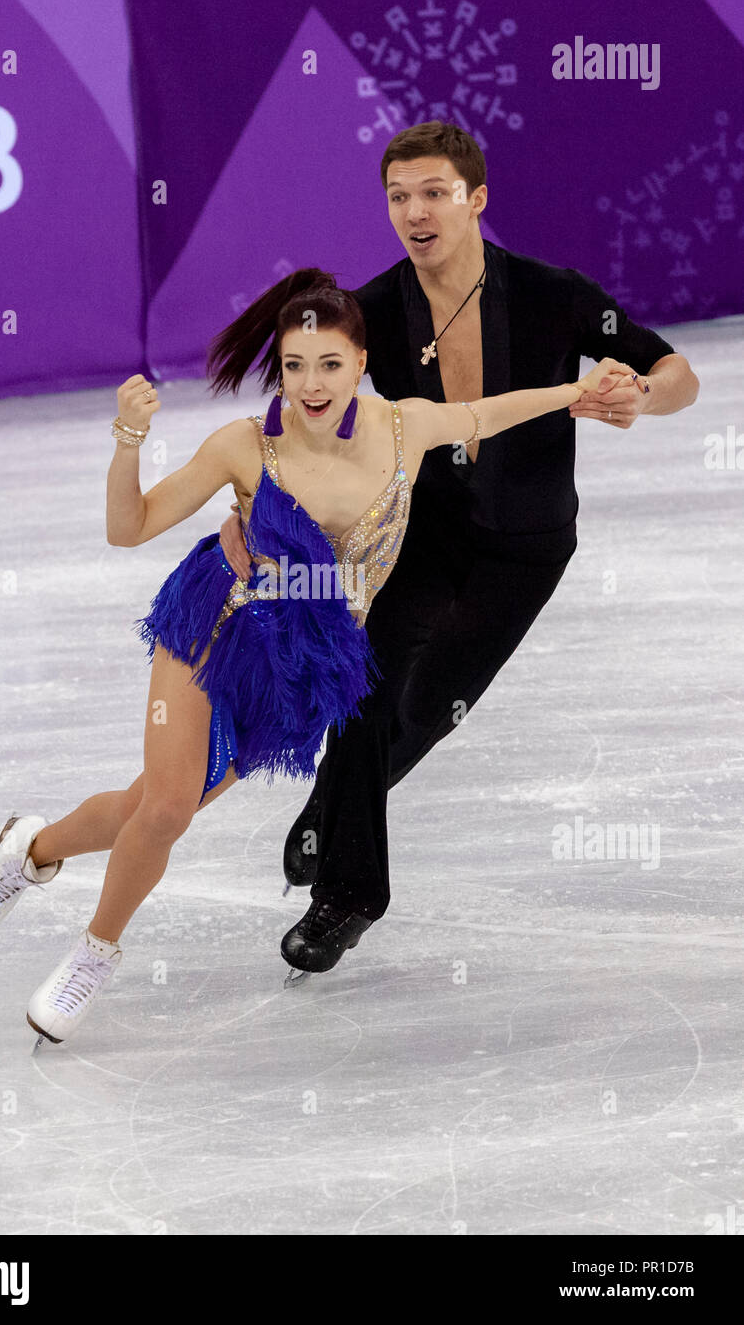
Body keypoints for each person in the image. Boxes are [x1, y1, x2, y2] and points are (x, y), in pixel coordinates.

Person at [0, 268, 625, 1046]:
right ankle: (96, 953)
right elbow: (127, 528)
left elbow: (482, 412)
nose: (310, 382)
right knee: (167, 808)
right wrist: (128, 440)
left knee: (152, 808)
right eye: (295, 365)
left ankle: (30, 849)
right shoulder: (246, 445)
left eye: (330, 365)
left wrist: (573, 394)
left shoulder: (404, 428)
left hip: (302, 667)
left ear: (360, 363)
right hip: (217, 623)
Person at [217, 120, 700, 976]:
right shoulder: (372, 312)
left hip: (527, 547)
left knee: (428, 708)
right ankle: (348, 896)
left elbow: (675, 372)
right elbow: (307, 398)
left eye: (434, 192)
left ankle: (333, 806)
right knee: (364, 689)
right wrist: (252, 496)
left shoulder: (553, 293)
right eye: (399, 196)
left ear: (476, 199)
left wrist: (638, 399)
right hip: (425, 530)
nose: (415, 211)